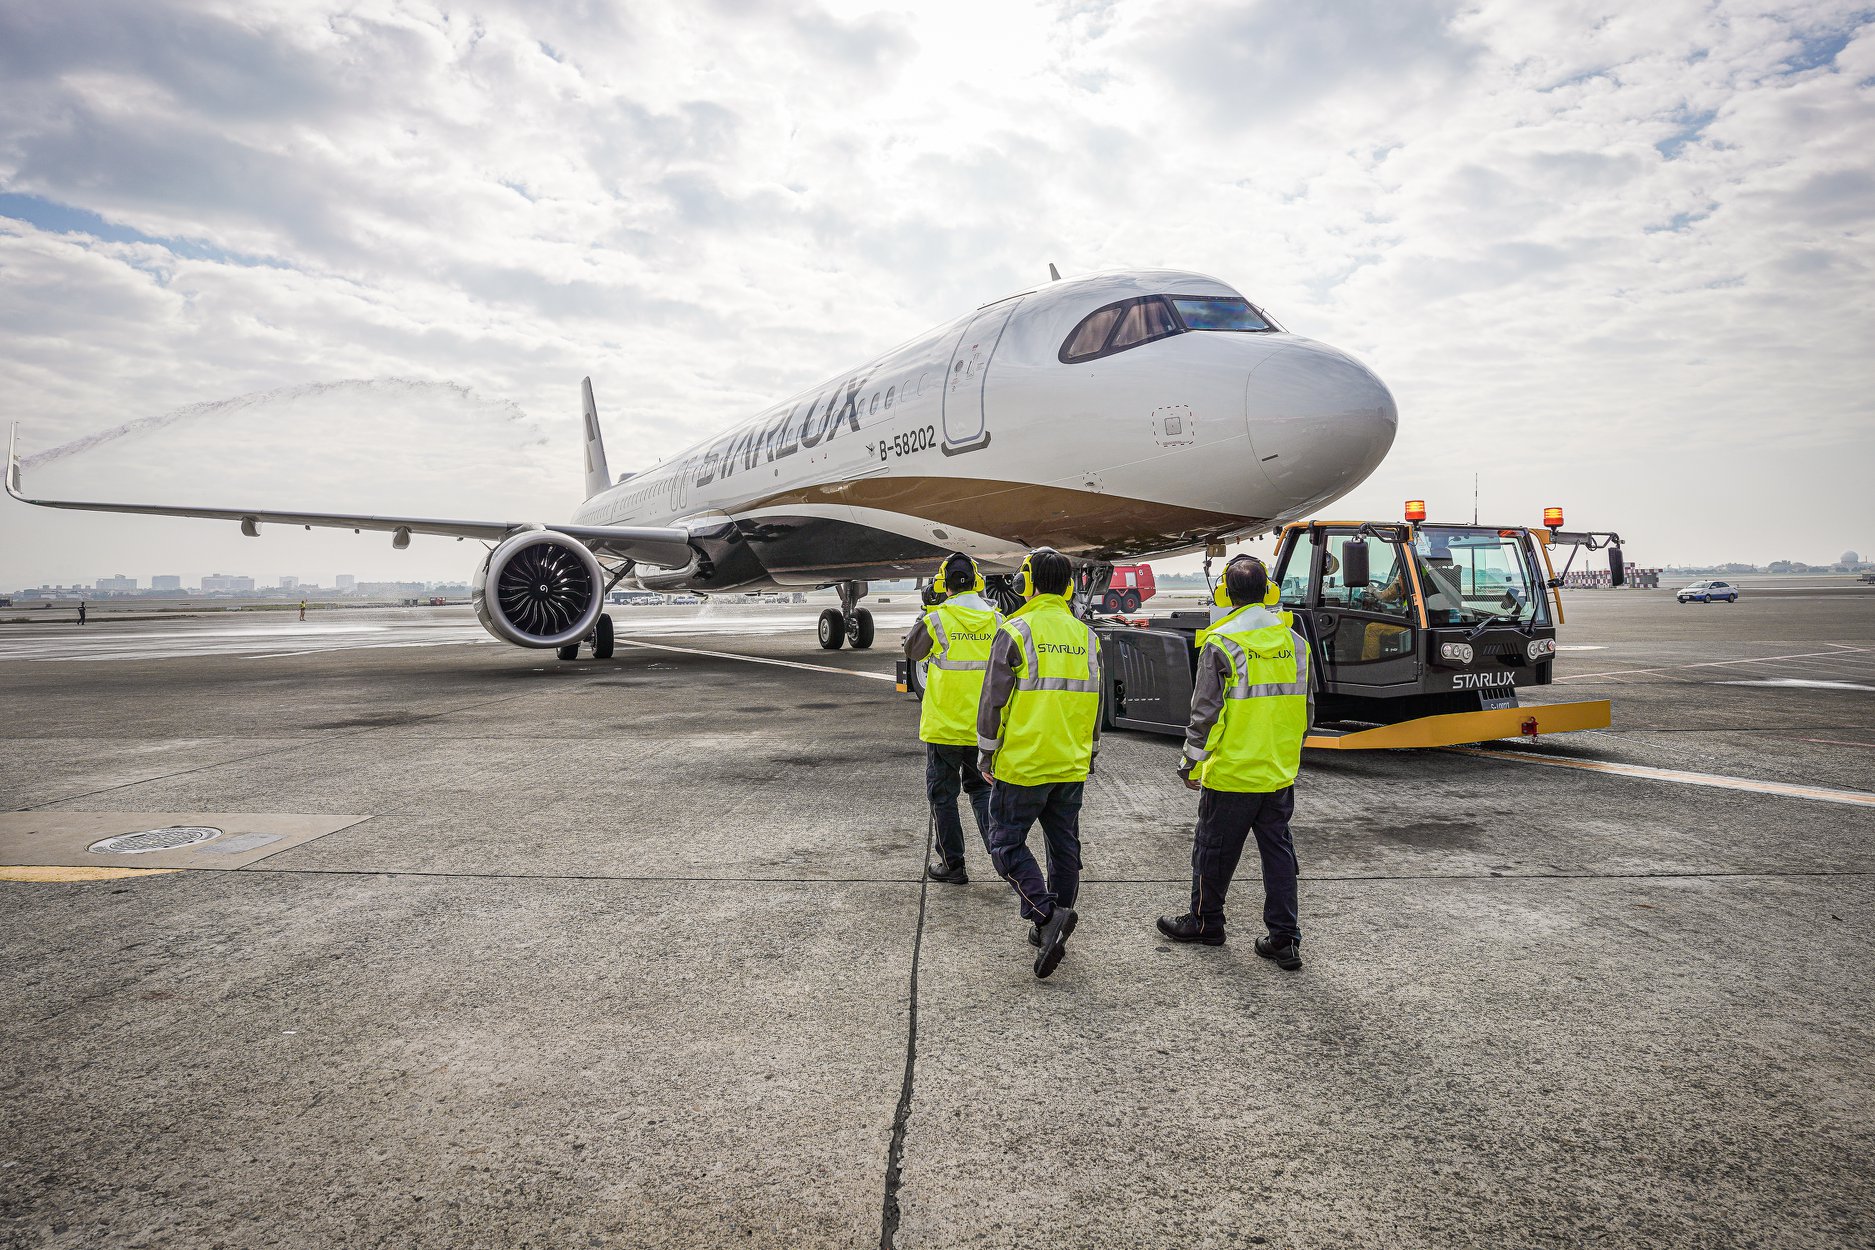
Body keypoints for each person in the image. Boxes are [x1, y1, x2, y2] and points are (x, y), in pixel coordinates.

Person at [1158, 555, 1312, 971]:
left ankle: (1207, 922)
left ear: (1224, 593)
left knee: (1212, 850)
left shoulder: (1222, 643)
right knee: (1278, 853)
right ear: (1269, 593)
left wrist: (1190, 763)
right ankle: (1284, 938)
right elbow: (1307, 711)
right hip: (1278, 771)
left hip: (1232, 772)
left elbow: (1204, 713)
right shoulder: (1296, 642)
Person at [976, 547, 1101, 979]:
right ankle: (1058, 921)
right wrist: (1090, 753)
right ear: (1069, 587)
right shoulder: (1087, 636)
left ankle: (1046, 917)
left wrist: (986, 751)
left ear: (1025, 584)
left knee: (1006, 843)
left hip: (1025, 763)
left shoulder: (1016, 631)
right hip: (1070, 762)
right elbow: (1095, 704)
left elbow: (993, 699)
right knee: (1064, 847)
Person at [903, 553, 1003, 885]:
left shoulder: (937, 620)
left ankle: (953, 864)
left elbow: (913, 650)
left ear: (944, 585)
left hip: (944, 728)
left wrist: (932, 607)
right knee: (982, 791)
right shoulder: (998, 621)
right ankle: (1005, 858)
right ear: (978, 582)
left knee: (943, 796)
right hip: (983, 729)